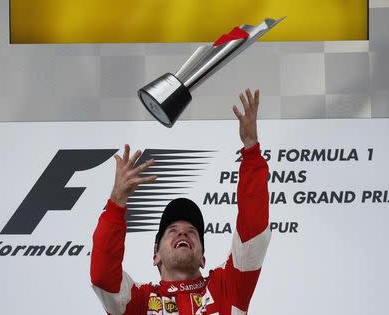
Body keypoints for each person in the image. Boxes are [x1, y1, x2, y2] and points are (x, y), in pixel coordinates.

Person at [91, 89, 271, 315]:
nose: (183, 234)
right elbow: (103, 277)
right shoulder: (138, 303)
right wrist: (116, 204)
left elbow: (253, 233)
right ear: (156, 255)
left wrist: (251, 152)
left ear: (203, 258)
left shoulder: (227, 289)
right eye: (172, 230)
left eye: (192, 231)